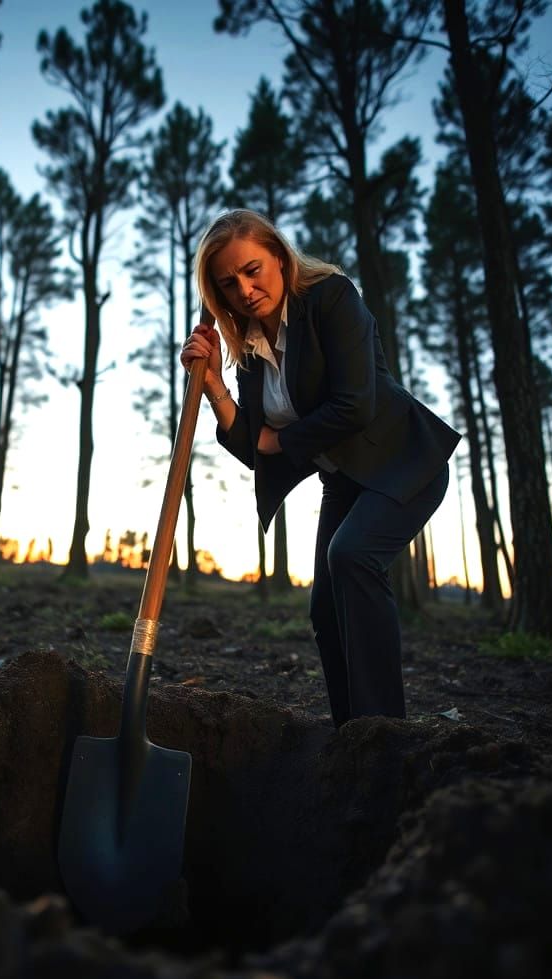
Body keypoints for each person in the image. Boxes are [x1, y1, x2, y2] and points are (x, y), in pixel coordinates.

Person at [180, 209, 461, 727]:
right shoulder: (251, 350)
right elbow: (254, 450)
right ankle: (349, 732)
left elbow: (355, 402)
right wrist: (215, 385)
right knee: (325, 611)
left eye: (252, 269)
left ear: (281, 260)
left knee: (351, 555)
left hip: (404, 462)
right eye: (228, 282)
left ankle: (383, 732)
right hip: (345, 481)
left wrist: (278, 438)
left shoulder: (332, 297)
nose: (243, 288)